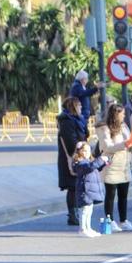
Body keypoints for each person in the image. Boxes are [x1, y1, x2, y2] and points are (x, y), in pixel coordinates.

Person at [96, 103, 132, 231]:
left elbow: (129, 143)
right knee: (110, 195)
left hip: (124, 164)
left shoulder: (124, 126)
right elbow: (107, 147)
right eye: (122, 113)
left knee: (123, 195)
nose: (124, 115)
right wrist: (125, 144)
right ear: (116, 114)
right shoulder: (104, 128)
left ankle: (123, 220)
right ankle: (110, 220)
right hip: (112, 165)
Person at [57, 96, 87, 226]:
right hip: (71, 157)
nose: (81, 108)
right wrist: (80, 149)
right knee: (72, 187)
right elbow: (70, 142)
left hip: (79, 156)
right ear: (74, 106)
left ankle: (75, 213)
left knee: (77, 186)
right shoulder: (67, 122)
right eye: (79, 105)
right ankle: (73, 214)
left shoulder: (77, 120)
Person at [72, 140, 109, 238]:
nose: (87, 153)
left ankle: (88, 228)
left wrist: (103, 163)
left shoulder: (88, 162)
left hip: (90, 191)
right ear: (79, 152)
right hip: (84, 190)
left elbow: (95, 168)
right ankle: (82, 229)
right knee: (84, 211)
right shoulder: (79, 163)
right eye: (84, 151)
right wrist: (100, 160)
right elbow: (90, 167)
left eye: (88, 150)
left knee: (89, 210)